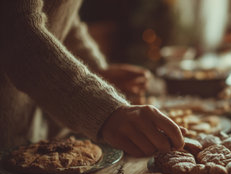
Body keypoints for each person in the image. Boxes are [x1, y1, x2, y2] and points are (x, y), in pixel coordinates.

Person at [0, 0, 184, 157]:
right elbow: (16, 29)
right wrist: (106, 110)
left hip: (26, 128)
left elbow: (63, 17)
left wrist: (96, 73)